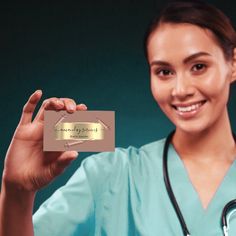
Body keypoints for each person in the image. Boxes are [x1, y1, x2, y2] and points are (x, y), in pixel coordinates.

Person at [1, 0, 236, 235]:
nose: (181, 89)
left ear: (233, 64)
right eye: (164, 72)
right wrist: (17, 192)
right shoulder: (111, 176)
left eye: (198, 66)